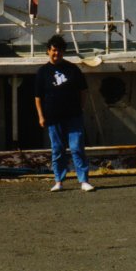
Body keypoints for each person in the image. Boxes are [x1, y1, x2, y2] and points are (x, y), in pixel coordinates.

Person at [35, 35, 95, 192]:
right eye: (54, 50)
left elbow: (83, 91)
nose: (57, 54)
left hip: (73, 116)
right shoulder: (42, 72)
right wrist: (41, 116)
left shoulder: (72, 69)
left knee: (77, 148)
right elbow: (38, 97)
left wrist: (81, 108)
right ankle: (59, 181)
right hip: (53, 118)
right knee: (57, 150)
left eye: (60, 51)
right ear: (48, 51)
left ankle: (84, 181)